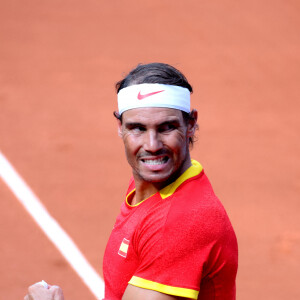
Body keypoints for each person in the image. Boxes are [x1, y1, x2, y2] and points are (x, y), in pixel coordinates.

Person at [24, 63, 238, 300]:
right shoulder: (153, 186)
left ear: (191, 124)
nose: (152, 145)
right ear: (120, 127)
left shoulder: (181, 220)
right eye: (138, 128)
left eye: (166, 128)